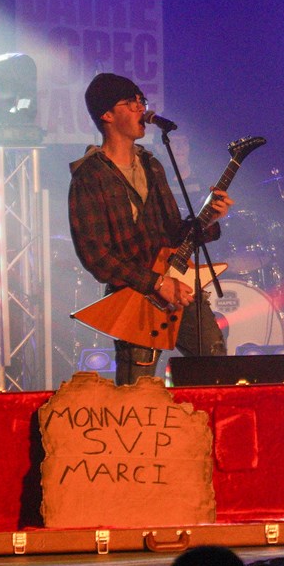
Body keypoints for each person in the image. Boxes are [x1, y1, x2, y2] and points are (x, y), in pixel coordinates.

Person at [68, 72, 231, 384]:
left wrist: (207, 218)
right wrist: (157, 283)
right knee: (136, 395)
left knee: (216, 367)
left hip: (177, 286)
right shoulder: (89, 176)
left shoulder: (152, 165)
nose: (141, 108)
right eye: (131, 103)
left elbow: (173, 233)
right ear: (107, 114)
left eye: (141, 101)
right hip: (135, 297)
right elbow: (96, 257)